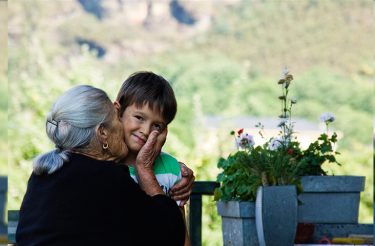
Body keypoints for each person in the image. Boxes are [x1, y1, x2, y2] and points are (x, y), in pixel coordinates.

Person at [16, 85, 185, 246]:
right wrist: (145, 168)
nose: (122, 125)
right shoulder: (107, 177)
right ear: (103, 133)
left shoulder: (43, 173)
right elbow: (169, 236)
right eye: (117, 118)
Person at [115, 71, 191, 246]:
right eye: (139, 118)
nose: (146, 130)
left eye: (157, 125)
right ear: (118, 112)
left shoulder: (171, 169)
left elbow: (180, 234)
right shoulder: (104, 165)